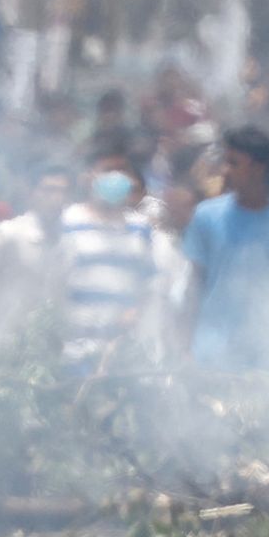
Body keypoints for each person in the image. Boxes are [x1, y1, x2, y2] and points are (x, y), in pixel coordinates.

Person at [182, 125, 269, 372]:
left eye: (233, 163)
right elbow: (194, 286)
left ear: (258, 168)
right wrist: (185, 348)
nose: (225, 171)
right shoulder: (206, 216)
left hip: (266, 359)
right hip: (209, 354)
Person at [55, 153, 157, 373]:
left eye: (122, 171)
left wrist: (134, 310)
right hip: (73, 344)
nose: (115, 177)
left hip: (119, 347)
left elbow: (148, 281)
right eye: (108, 170)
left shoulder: (140, 228)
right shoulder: (68, 221)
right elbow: (53, 280)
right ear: (90, 176)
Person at [0, 165, 69, 352]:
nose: (56, 198)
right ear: (31, 192)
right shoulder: (9, 234)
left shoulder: (70, 241)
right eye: (49, 190)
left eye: (63, 191)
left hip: (51, 347)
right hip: (5, 344)